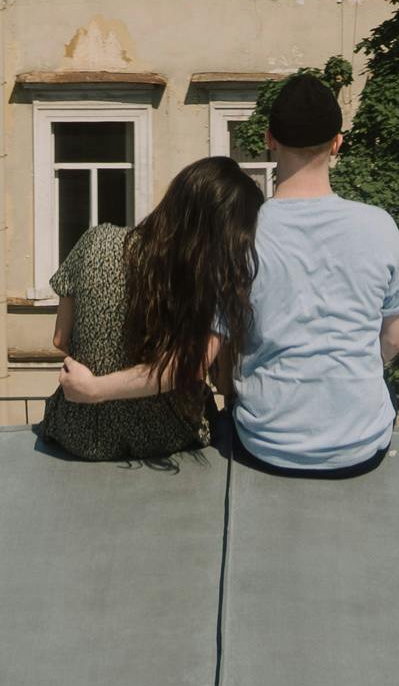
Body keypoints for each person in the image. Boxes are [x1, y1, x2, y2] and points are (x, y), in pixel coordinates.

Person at [220, 72, 399, 478]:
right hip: (361, 444)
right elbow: (396, 340)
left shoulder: (239, 234)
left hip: (265, 443)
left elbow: (217, 347)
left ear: (270, 139)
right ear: (337, 143)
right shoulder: (379, 226)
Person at [43, 156, 264, 463]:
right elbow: (211, 377)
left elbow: (60, 340)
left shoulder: (94, 240)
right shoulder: (207, 280)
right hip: (168, 437)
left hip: (81, 433)